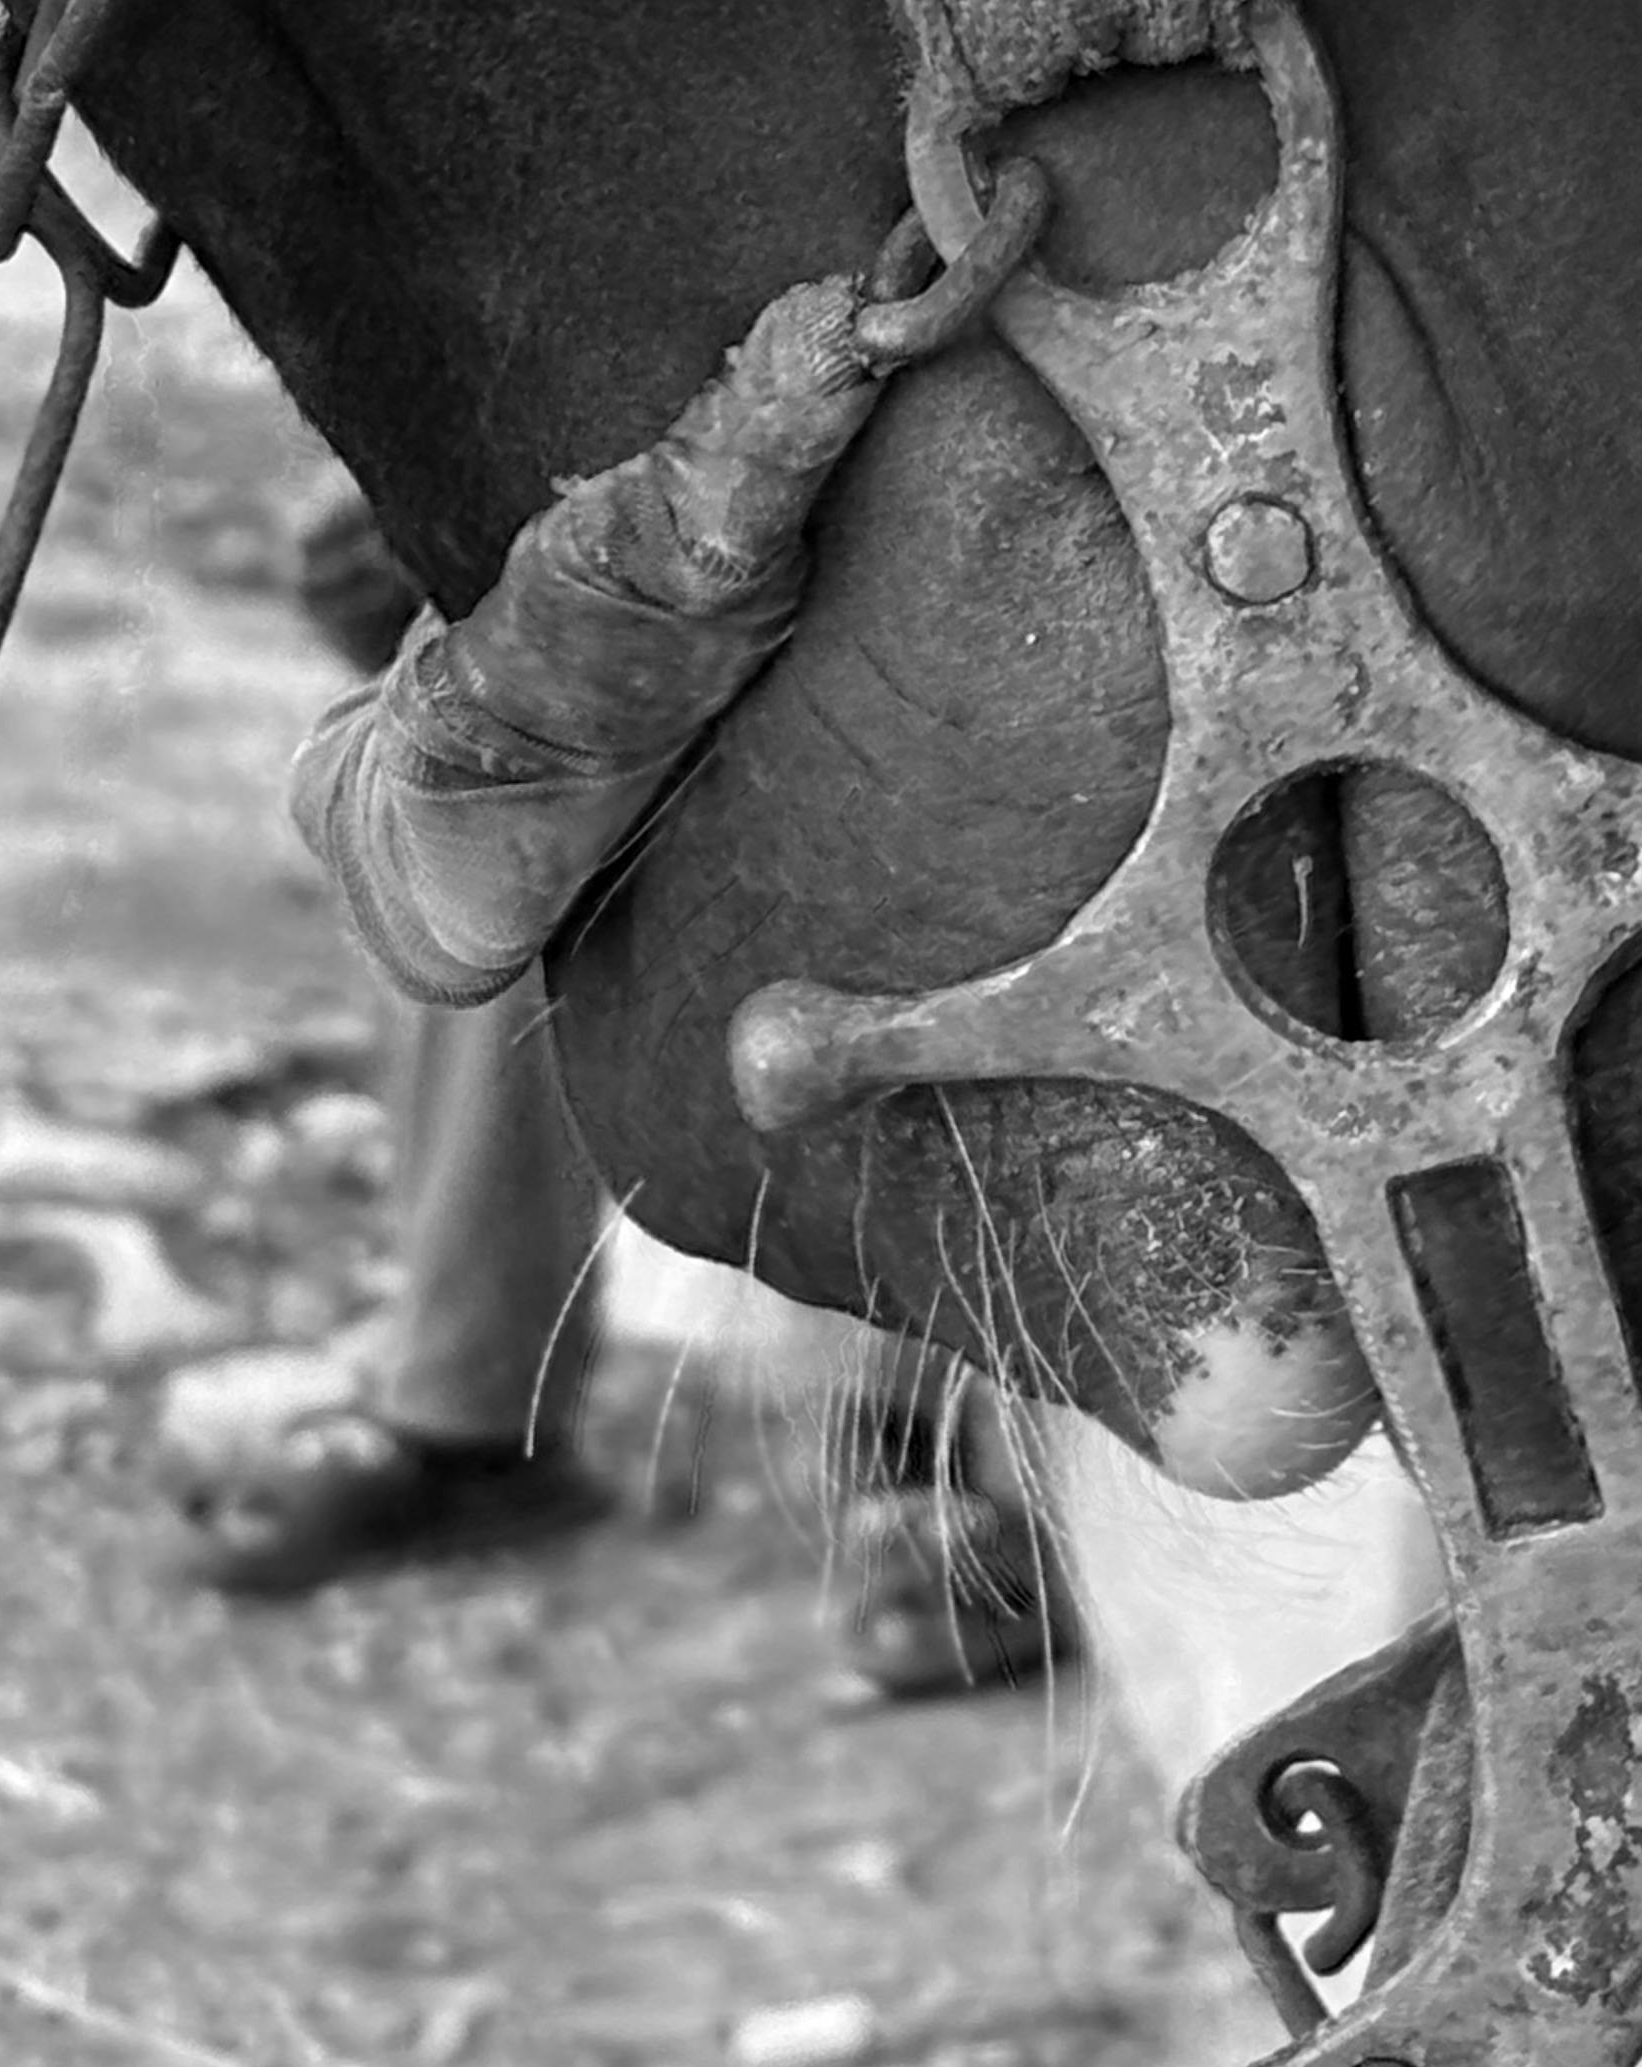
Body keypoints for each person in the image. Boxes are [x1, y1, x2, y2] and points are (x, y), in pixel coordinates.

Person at [174, 269, 1069, 1687]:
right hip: (685, 426)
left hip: (977, 448)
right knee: (483, 784)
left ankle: (902, 1448)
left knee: (925, 767)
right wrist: (418, 526)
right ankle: (466, 1410)